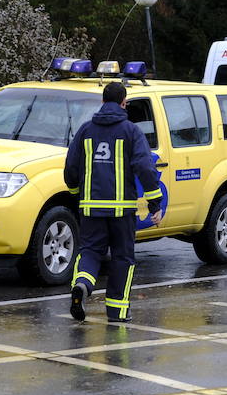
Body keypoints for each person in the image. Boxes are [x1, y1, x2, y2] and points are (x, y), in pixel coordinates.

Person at [64, 81, 163, 322]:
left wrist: (78, 193)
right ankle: (117, 312)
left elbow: (71, 168)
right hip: (122, 212)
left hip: (90, 209)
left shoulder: (86, 130)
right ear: (124, 103)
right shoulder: (131, 131)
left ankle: (82, 286)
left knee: (89, 251)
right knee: (122, 258)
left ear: (102, 102)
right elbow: (144, 167)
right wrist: (154, 202)